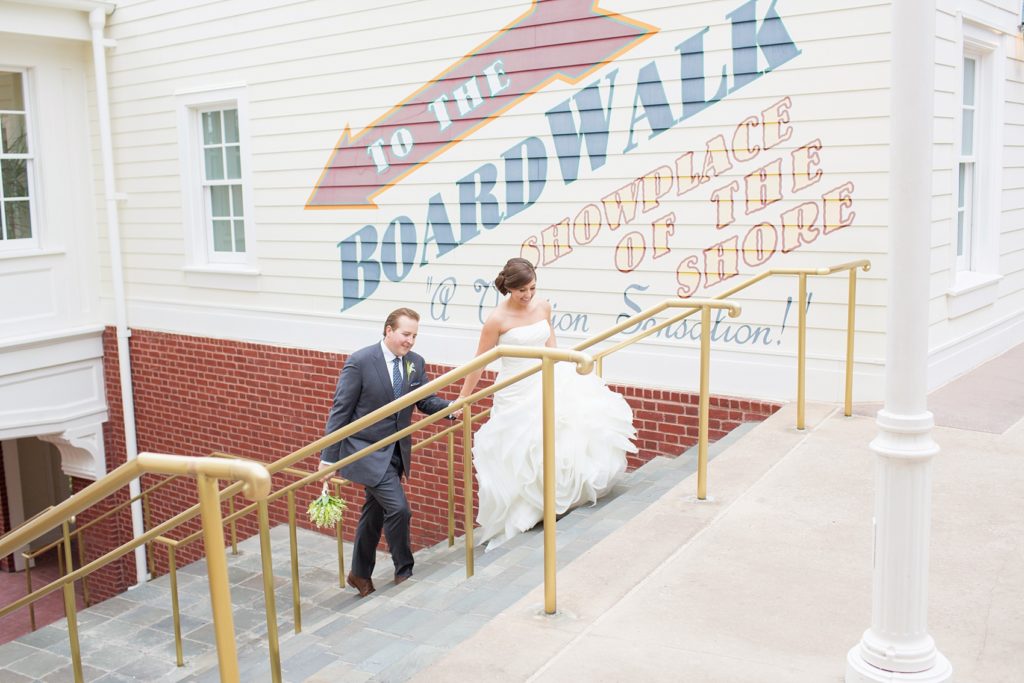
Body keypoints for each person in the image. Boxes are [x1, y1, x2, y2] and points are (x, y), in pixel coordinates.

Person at [458, 258, 637, 549]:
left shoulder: (543, 306)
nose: (528, 295)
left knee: (562, 437)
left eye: (532, 288)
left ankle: (556, 499)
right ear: (509, 288)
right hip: (516, 388)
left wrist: (563, 367)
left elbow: (550, 342)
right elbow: (479, 361)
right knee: (522, 448)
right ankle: (529, 508)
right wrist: (463, 396)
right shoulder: (496, 320)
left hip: (546, 377)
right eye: (522, 290)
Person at [318, 307, 456, 596]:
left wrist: (450, 408)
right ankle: (404, 569)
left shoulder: (415, 362)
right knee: (399, 509)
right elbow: (341, 410)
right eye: (406, 334)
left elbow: (424, 400)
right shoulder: (360, 361)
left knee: (374, 512)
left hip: (396, 451)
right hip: (365, 450)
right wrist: (328, 458)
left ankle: (359, 574)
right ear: (388, 330)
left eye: (415, 336)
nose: (410, 341)